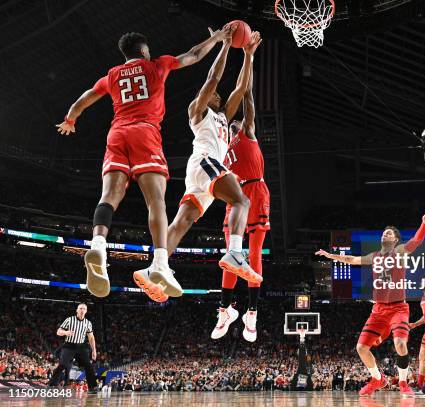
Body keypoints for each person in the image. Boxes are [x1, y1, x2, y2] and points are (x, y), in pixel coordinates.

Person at [56, 28, 232, 300]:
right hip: (144, 133)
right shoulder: (156, 65)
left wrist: (71, 118)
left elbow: (86, 97)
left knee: (109, 196)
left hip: (117, 134)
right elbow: (194, 54)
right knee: (156, 201)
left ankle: (99, 246)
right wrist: (217, 39)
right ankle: (161, 262)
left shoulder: (112, 75)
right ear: (144, 50)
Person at [163, 29, 264, 330]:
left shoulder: (225, 117)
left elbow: (242, 87)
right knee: (241, 200)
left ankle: (158, 263)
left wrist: (248, 55)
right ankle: (234, 252)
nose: (218, 95)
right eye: (214, 95)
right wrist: (223, 45)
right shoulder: (198, 111)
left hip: (203, 176)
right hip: (205, 163)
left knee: (183, 221)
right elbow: (213, 80)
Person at [316, 211, 425, 396]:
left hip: (398, 308)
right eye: (384, 233)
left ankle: (403, 383)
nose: (384, 235)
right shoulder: (375, 256)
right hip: (378, 309)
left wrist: (424, 223)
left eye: (389, 233)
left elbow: (416, 242)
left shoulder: (400, 252)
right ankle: (378, 379)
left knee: (401, 344)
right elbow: (351, 259)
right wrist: (331, 255)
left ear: (395, 240)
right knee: (361, 348)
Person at [218, 53, 271, 342]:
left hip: (256, 190)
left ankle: (251, 313)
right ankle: (225, 308)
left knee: (253, 253)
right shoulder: (222, 146)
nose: (236, 123)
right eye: (232, 123)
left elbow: (247, 101)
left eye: (237, 122)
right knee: (229, 256)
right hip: (236, 196)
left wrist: (248, 64)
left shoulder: (248, 132)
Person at [48, 304, 98, 394]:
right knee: (62, 364)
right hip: (69, 345)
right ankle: (52, 384)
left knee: (88, 365)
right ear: (77, 310)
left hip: (81, 346)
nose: (82, 310)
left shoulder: (88, 323)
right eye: (80, 308)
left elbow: (91, 338)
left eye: (84, 309)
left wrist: (94, 350)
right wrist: (66, 332)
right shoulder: (69, 320)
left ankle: (92, 387)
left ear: (86, 311)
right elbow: (58, 332)